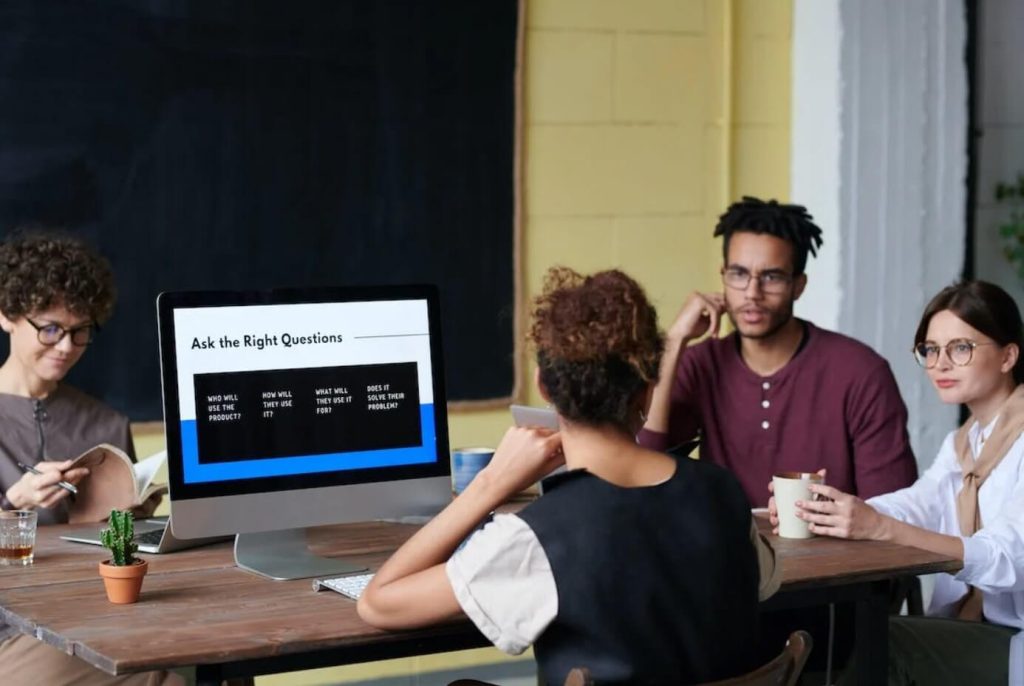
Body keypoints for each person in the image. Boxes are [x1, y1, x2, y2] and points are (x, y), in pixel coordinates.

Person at [357, 267, 781, 685]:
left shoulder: (536, 537)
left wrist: (490, 484)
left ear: (543, 385)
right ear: (648, 387)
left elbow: (377, 604)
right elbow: (763, 582)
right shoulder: (724, 493)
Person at [783, 280, 1024, 684]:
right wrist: (836, 510)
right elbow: (919, 502)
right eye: (930, 350)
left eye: (960, 348)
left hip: (1015, 636)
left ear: (1007, 356)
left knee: (887, 642)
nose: (940, 364)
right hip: (980, 623)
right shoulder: (965, 442)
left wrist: (880, 527)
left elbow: (1008, 560)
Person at [638, 196, 918, 507]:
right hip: (725, 553)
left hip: (833, 555)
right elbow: (645, 463)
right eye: (739, 274)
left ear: (799, 285)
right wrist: (675, 341)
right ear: (723, 276)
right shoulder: (701, 363)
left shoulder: (861, 373)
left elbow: (892, 510)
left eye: (771, 277)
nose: (752, 293)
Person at [0, 231, 178, 686]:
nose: (65, 346)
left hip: (99, 615)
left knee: (201, 657)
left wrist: (134, 520)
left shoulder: (105, 425)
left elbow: (123, 553)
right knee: (166, 673)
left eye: (80, 332)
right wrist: (13, 505)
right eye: (51, 328)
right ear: (7, 316)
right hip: (13, 632)